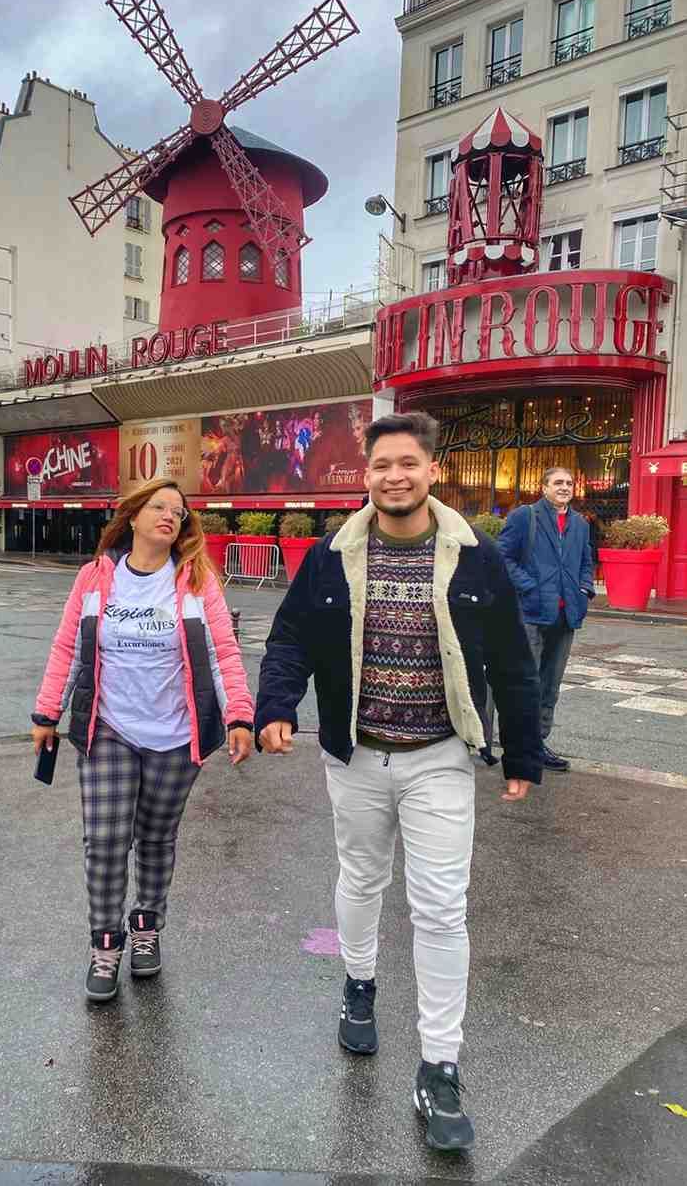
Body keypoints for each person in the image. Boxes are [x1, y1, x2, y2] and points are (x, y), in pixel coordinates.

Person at [255, 412, 542, 1153]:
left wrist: (523, 755)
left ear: (431, 470)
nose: (395, 476)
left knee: (443, 908)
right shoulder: (331, 555)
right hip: (356, 756)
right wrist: (277, 707)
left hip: (440, 757)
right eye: (382, 464)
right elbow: (288, 637)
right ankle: (359, 986)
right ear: (368, 474)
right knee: (360, 878)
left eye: (409, 463)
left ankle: (440, 1067)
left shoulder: (474, 556)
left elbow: (513, 656)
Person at [31, 479, 254, 1004]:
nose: (169, 516)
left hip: (177, 735)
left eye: (178, 512)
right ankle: (105, 944)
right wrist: (47, 711)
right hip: (107, 727)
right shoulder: (94, 578)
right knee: (105, 841)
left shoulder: (197, 581)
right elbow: (68, 647)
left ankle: (146, 926)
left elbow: (223, 653)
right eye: (159, 507)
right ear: (132, 517)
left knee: (155, 840)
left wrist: (240, 715)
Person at [497, 468, 595, 773]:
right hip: (531, 613)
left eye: (568, 483)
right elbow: (503, 557)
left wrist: (585, 588)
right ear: (544, 488)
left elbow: (586, 561)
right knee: (526, 683)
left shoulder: (579, 523)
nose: (565, 487)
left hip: (566, 615)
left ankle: (537, 743)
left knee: (550, 685)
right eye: (558, 483)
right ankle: (518, 748)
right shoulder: (525, 517)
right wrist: (530, 587)